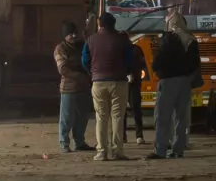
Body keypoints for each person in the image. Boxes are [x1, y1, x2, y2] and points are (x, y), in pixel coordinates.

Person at [82, 13, 136, 161]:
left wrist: (93, 73)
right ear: (114, 24)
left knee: (101, 117)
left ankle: (101, 152)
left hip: (98, 82)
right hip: (119, 81)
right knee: (118, 116)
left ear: (100, 24)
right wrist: (126, 71)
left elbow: (84, 60)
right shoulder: (122, 39)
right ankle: (117, 151)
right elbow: (130, 59)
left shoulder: (91, 40)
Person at [148, 11, 201, 159]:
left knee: (162, 116)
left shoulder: (168, 38)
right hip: (185, 81)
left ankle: (160, 150)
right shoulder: (191, 39)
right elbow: (195, 63)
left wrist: (158, 71)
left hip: (168, 81)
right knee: (181, 117)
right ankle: (178, 150)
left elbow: (159, 60)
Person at [54, 21, 94, 153]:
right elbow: (63, 69)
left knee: (82, 118)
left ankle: (79, 142)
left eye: (75, 33)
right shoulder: (61, 48)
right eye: (70, 34)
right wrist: (82, 76)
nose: (74, 36)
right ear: (65, 35)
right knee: (66, 118)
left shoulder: (82, 45)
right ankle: (64, 143)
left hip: (83, 88)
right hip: (69, 89)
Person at [123, 32, 147, 144]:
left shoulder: (135, 50)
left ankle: (126, 136)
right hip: (126, 82)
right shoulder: (134, 49)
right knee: (133, 110)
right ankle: (137, 136)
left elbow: (142, 64)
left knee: (133, 110)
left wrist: (133, 74)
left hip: (130, 83)